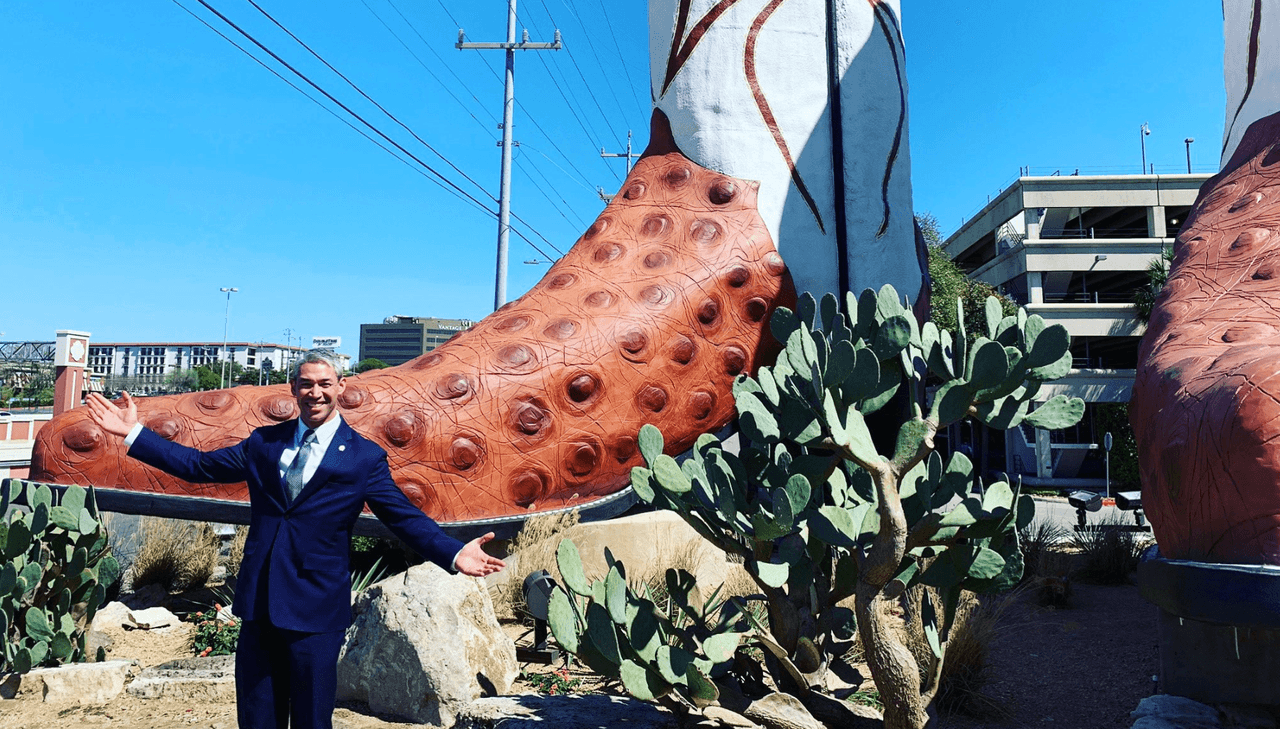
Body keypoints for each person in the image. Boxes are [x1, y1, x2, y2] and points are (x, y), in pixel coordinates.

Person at [85, 351, 504, 729]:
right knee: (256, 716)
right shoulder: (264, 444)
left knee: (311, 719)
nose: (315, 392)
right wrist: (133, 433)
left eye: (325, 383)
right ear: (293, 390)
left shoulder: (363, 457)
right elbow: (197, 466)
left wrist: (452, 552)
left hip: (316, 607)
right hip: (260, 601)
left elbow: (402, 517)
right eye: (306, 384)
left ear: (341, 387)